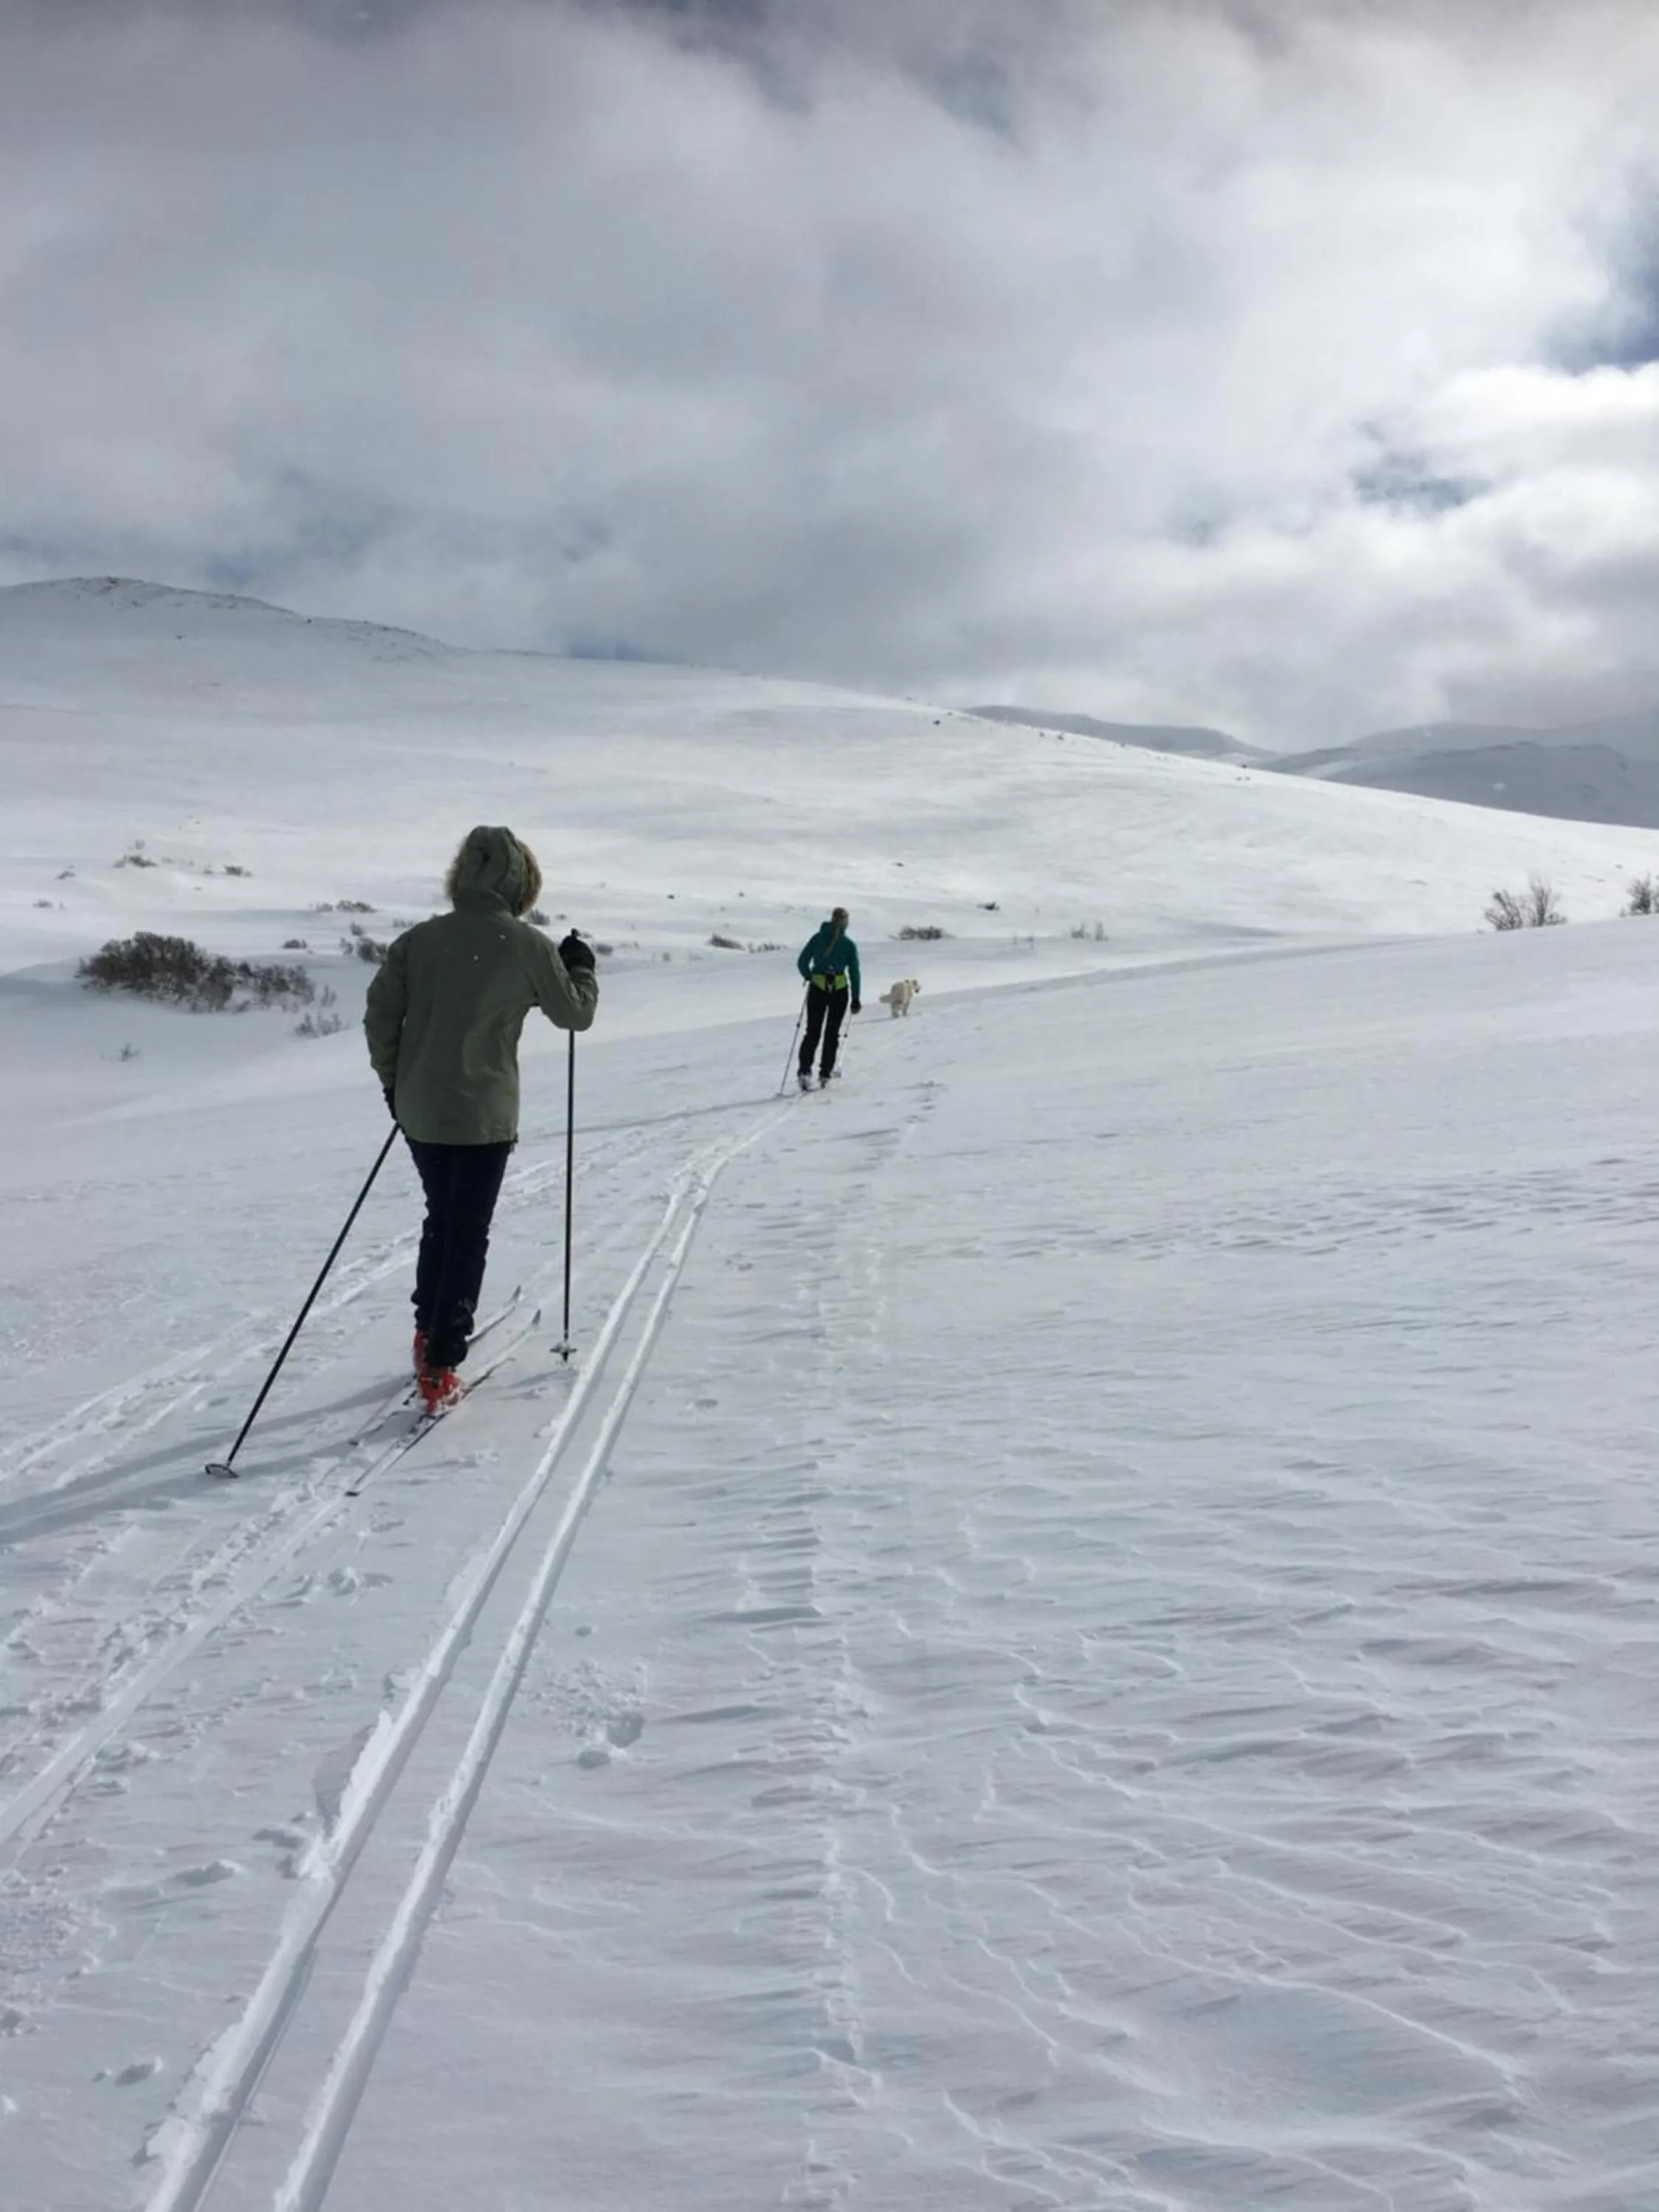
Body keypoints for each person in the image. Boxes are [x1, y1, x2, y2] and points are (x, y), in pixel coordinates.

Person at [365, 825, 597, 1411]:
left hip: (419, 1110)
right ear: (523, 883)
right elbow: (575, 1016)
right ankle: (441, 1362)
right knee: (466, 1230)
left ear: (462, 875)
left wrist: (395, 1084)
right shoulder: (527, 945)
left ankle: (427, 1332)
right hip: (482, 1117)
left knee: (442, 1217)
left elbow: (379, 1018)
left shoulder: (419, 942)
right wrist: (581, 969)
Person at [795, 905, 860, 1090]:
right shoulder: (848, 945)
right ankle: (825, 1074)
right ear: (846, 922)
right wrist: (856, 998)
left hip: (817, 989)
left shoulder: (817, 939)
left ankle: (804, 1072)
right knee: (832, 1034)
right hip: (839, 992)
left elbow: (802, 962)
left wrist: (810, 976)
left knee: (812, 1031)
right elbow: (855, 973)